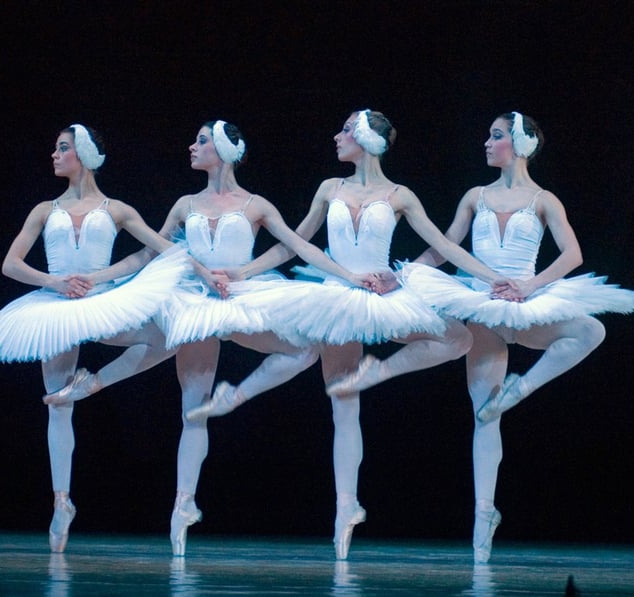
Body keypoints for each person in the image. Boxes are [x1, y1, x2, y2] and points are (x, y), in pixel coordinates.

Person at [44, 120, 383, 556]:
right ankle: (183, 504)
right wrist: (100, 277)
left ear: (221, 150)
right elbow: (149, 252)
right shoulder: (186, 204)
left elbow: (297, 247)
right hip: (194, 304)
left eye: (201, 141)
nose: (192, 146)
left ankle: (237, 395)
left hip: (242, 300)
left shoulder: (256, 204)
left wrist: (346, 274)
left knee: (302, 350)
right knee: (192, 410)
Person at [212, 109, 517, 560]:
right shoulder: (328, 188)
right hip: (336, 298)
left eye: (345, 129)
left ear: (366, 138)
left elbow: (445, 244)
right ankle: (346, 508)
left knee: (457, 338)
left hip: (381, 294)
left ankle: (380, 372)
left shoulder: (399, 195)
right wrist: (241, 272)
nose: (336, 136)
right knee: (342, 405)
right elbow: (295, 243)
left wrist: (486, 276)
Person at [402, 111, 634, 563]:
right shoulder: (475, 195)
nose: (486, 143)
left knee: (591, 328)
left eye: (495, 136)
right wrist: (405, 275)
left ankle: (522, 389)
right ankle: (484, 516)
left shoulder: (544, 200)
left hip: (524, 302)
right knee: (483, 416)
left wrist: (531, 286)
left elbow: (573, 253)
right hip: (481, 305)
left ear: (519, 144)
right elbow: (445, 245)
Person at [0, 124, 189, 553]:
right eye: (55, 148)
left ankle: (96, 382)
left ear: (82, 155)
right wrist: (55, 281)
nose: (54, 154)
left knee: (169, 338)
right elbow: (10, 264)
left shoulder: (117, 209)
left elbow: (157, 249)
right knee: (57, 404)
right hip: (55, 306)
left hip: (103, 301)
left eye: (62, 148)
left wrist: (101, 277)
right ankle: (61, 501)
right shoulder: (44, 209)